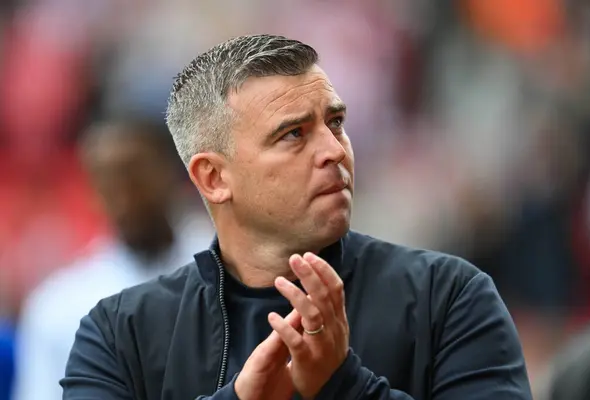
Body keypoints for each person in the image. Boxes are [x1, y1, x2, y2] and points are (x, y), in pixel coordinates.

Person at [61, 35, 532, 399]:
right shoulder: (121, 333)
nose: (335, 151)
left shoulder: (447, 297)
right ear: (213, 178)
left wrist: (345, 384)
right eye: (292, 134)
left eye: (335, 123)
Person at [13, 118, 214, 400]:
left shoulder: (229, 267)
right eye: (106, 179)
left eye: (135, 173)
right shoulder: (58, 305)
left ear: (171, 171)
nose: (125, 195)